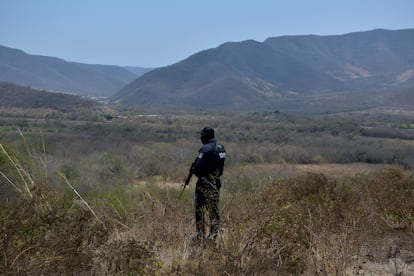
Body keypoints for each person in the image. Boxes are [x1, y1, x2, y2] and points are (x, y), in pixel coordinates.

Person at [186, 126, 226, 241]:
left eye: (201, 136)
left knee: (200, 209)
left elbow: (197, 167)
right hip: (216, 181)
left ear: (205, 136)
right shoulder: (221, 148)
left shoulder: (205, 149)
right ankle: (214, 235)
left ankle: (200, 235)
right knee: (213, 209)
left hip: (204, 182)